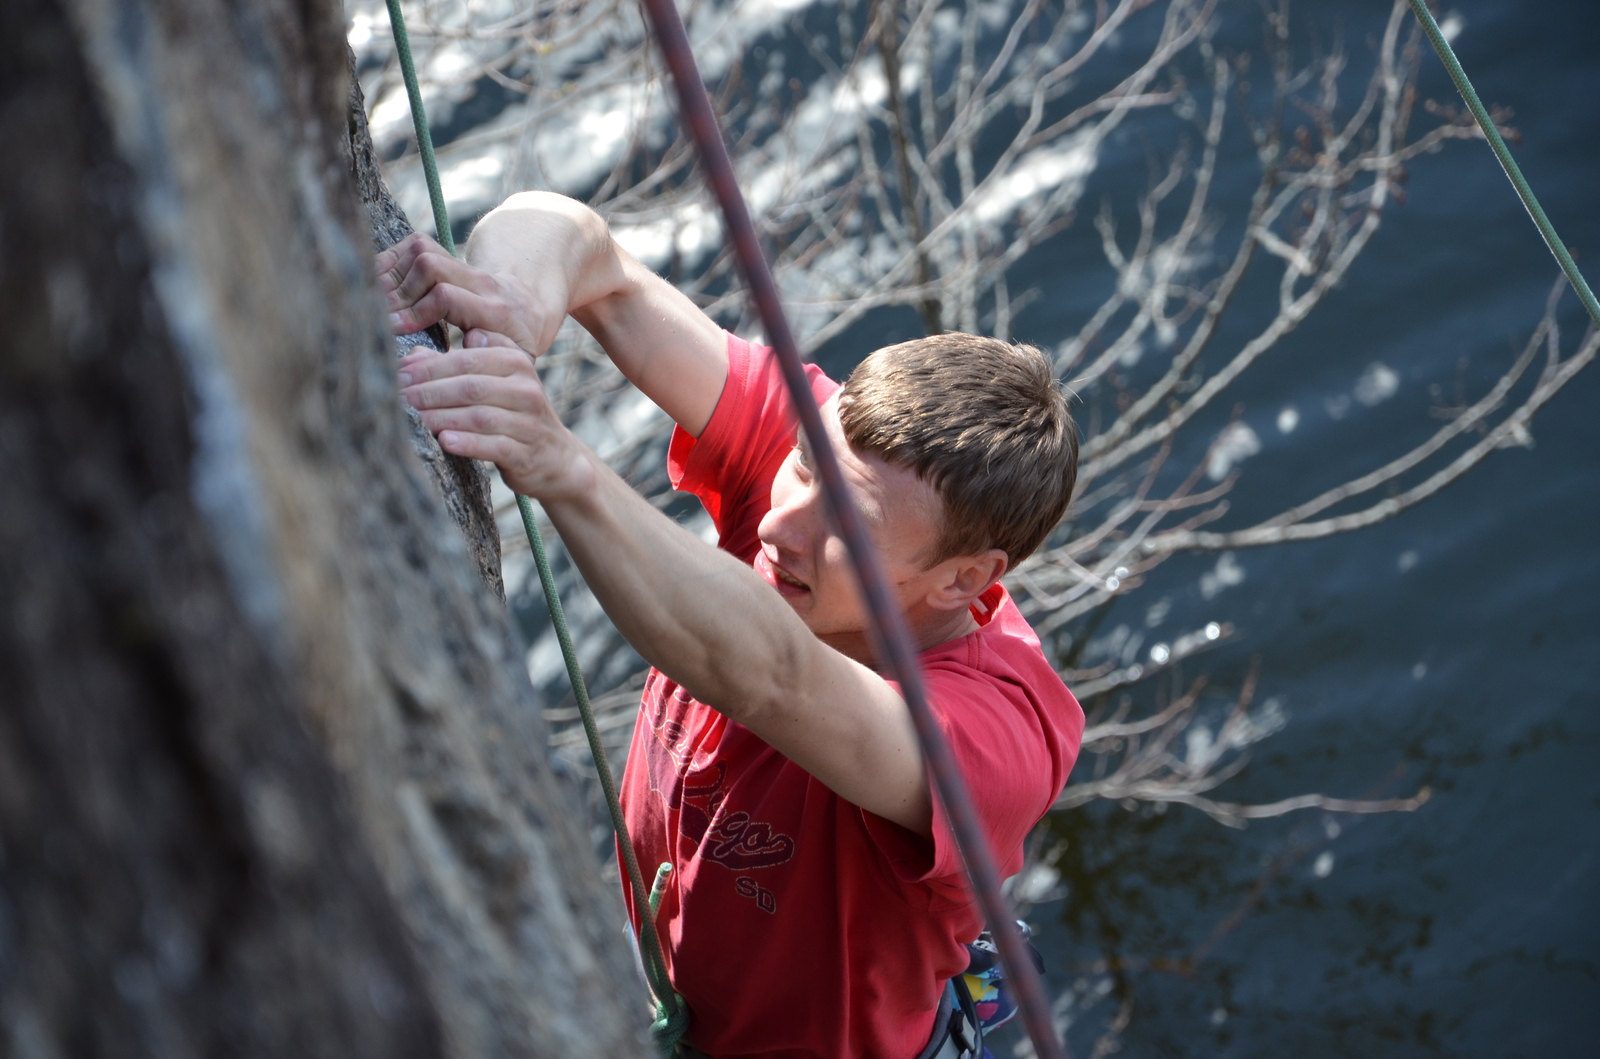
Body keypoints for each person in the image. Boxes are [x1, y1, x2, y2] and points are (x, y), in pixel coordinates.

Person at [379, 190, 1085, 1058]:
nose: (782, 526)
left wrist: (561, 464)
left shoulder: (997, 738)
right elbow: (582, 247)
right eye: (798, 464)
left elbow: (772, 674)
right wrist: (508, 316)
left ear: (962, 580)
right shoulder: (843, 466)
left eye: (850, 527)